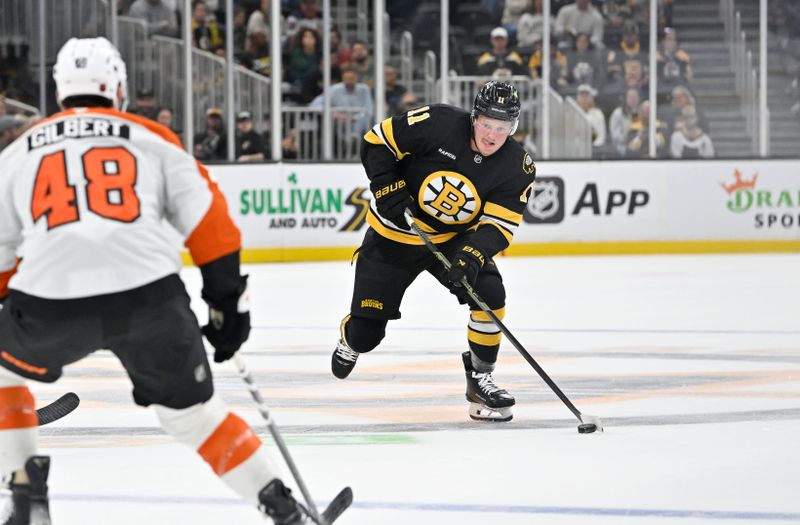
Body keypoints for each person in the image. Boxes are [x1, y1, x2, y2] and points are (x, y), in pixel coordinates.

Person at [0, 37, 312, 525]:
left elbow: (0, 252)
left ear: (59, 90)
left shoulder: (20, 149)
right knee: (195, 418)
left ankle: (24, 490)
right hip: (151, 301)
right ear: (118, 86)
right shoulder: (151, 137)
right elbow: (213, 227)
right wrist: (228, 306)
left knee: (2, 374)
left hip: (50, 304)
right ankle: (278, 503)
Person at [331, 81, 537, 422]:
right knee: (366, 336)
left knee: (489, 294)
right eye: (486, 124)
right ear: (474, 118)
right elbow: (377, 141)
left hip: (452, 238)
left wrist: (472, 254)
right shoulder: (438, 123)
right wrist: (386, 184)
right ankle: (350, 338)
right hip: (393, 236)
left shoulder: (517, 165)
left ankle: (480, 378)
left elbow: (499, 225)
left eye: (502, 128)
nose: (491, 136)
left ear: (512, 128)